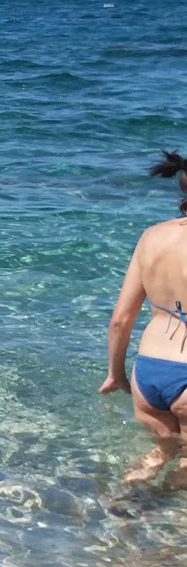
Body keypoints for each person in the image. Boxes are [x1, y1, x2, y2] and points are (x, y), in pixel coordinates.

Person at [101, 150, 187, 486]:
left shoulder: (151, 236)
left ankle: (124, 510)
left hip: (148, 374)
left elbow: (121, 319)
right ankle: (169, 533)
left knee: (159, 452)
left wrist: (115, 374)